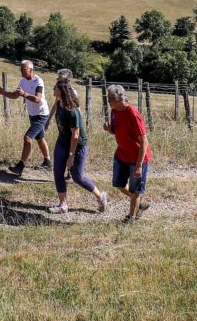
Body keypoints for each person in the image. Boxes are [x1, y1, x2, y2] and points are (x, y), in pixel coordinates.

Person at [48, 70, 107, 214]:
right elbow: (55, 109)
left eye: (55, 87)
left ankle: (100, 196)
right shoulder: (59, 102)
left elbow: (76, 135)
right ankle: (63, 205)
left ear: (61, 91)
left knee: (77, 177)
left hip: (77, 146)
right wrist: (47, 120)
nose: (53, 89)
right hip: (62, 142)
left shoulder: (72, 111)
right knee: (57, 172)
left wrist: (71, 156)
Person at [103, 84, 151, 222]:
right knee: (119, 184)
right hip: (122, 154)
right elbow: (115, 130)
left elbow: (144, 141)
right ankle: (139, 204)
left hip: (137, 157)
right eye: (108, 98)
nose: (108, 101)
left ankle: (131, 217)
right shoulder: (114, 111)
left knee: (136, 190)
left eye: (110, 98)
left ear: (119, 98)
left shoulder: (132, 113)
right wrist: (109, 129)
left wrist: (139, 165)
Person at [0, 59, 50, 175]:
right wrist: (3, 92)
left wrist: (24, 94)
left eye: (23, 69)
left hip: (41, 114)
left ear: (31, 70)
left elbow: (37, 99)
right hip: (32, 114)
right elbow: (15, 96)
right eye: (20, 69)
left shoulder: (38, 81)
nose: (21, 71)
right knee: (40, 139)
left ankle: (20, 166)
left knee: (27, 138)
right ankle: (48, 162)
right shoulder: (23, 81)